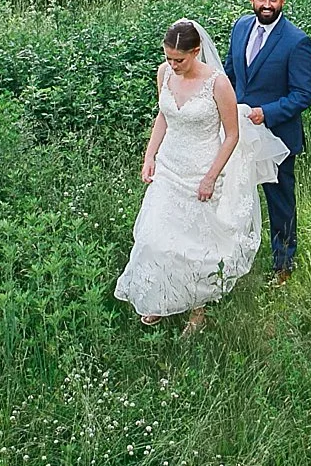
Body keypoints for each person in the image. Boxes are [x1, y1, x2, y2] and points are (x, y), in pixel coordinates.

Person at [115, 18, 289, 333]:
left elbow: (232, 135)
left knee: (194, 244)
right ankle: (160, 298)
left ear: (196, 51)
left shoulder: (217, 83)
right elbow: (163, 116)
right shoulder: (164, 73)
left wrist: (211, 177)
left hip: (203, 169)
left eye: (179, 59)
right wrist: (149, 156)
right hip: (170, 165)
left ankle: (197, 309)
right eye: (168, 57)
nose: (172, 64)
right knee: (155, 236)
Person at [227, 0, 311, 285]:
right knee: (235, 196)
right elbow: (230, 76)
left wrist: (267, 113)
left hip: (277, 136)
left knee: (279, 201)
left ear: (282, 2)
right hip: (238, 134)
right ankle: (232, 261)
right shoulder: (240, 28)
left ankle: (283, 264)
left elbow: (304, 94)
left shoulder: (296, 41)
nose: (267, 5)